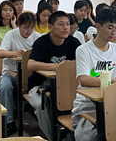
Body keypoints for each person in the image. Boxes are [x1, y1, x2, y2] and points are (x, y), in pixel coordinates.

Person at [72, 9, 116, 141]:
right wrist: (112, 81)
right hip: (87, 105)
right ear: (97, 26)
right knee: (93, 136)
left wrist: (115, 81)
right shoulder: (83, 50)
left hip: (111, 102)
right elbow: (84, 79)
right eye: (110, 28)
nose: (113, 32)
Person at [27, 11, 80, 140]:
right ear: (50, 27)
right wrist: (57, 66)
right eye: (61, 24)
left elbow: (83, 62)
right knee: (41, 105)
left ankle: (73, 133)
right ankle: (52, 137)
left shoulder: (73, 42)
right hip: (39, 86)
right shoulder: (41, 42)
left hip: (67, 85)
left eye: (67, 24)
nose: (66, 28)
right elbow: (30, 65)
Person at [0, 12, 40, 135]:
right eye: (25, 28)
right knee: (4, 87)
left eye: (31, 28)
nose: (28, 31)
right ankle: (9, 122)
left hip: (30, 74)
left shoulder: (37, 37)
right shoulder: (11, 34)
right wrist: (14, 53)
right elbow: (1, 53)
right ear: (19, 25)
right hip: (11, 72)